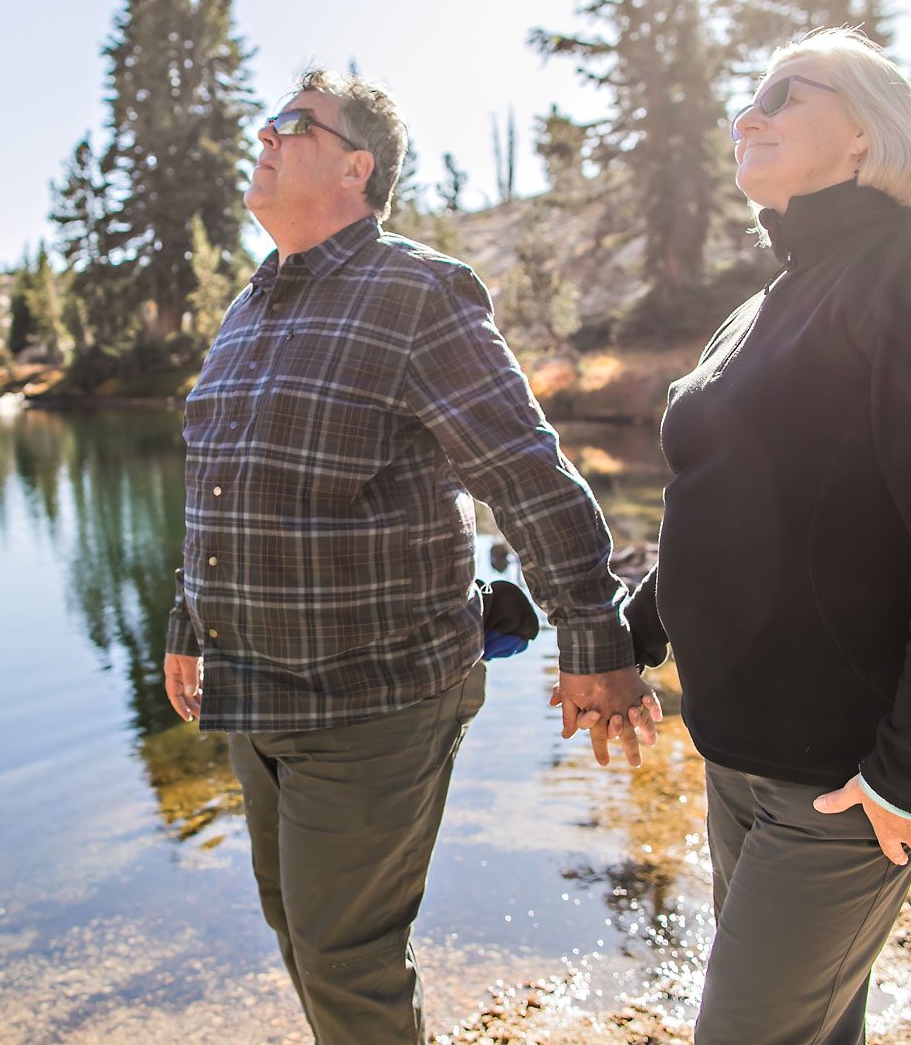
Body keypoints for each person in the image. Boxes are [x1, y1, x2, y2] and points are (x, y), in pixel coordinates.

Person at [162, 67, 658, 1045]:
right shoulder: (245, 309)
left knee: (348, 959)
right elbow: (216, 487)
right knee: (300, 934)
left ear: (357, 168)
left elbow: (525, 473)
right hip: (255, 687)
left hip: (375, 694)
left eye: (290, 125)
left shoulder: (417, 293)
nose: (262, 135)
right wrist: (190, 625)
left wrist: (593, 637)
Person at [597, 28, 911, 1043]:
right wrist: (634, 622)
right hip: (741, 753)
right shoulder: (759, 308)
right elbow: (734, 502)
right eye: (743, 103)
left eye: (784, 94)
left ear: (865, 136)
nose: (747, 115)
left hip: (849, 771)